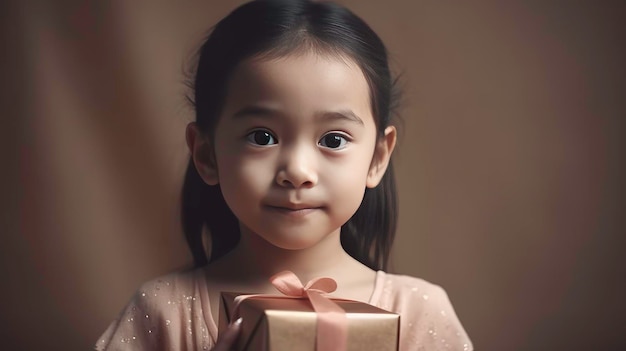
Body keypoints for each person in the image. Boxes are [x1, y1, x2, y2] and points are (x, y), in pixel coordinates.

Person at [95, 0, 473, 350]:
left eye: (333, 139)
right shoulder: (164, 311)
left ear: (377, 158)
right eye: (262, 137)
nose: (297, 172)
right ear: (206, 154)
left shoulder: (418, 312)